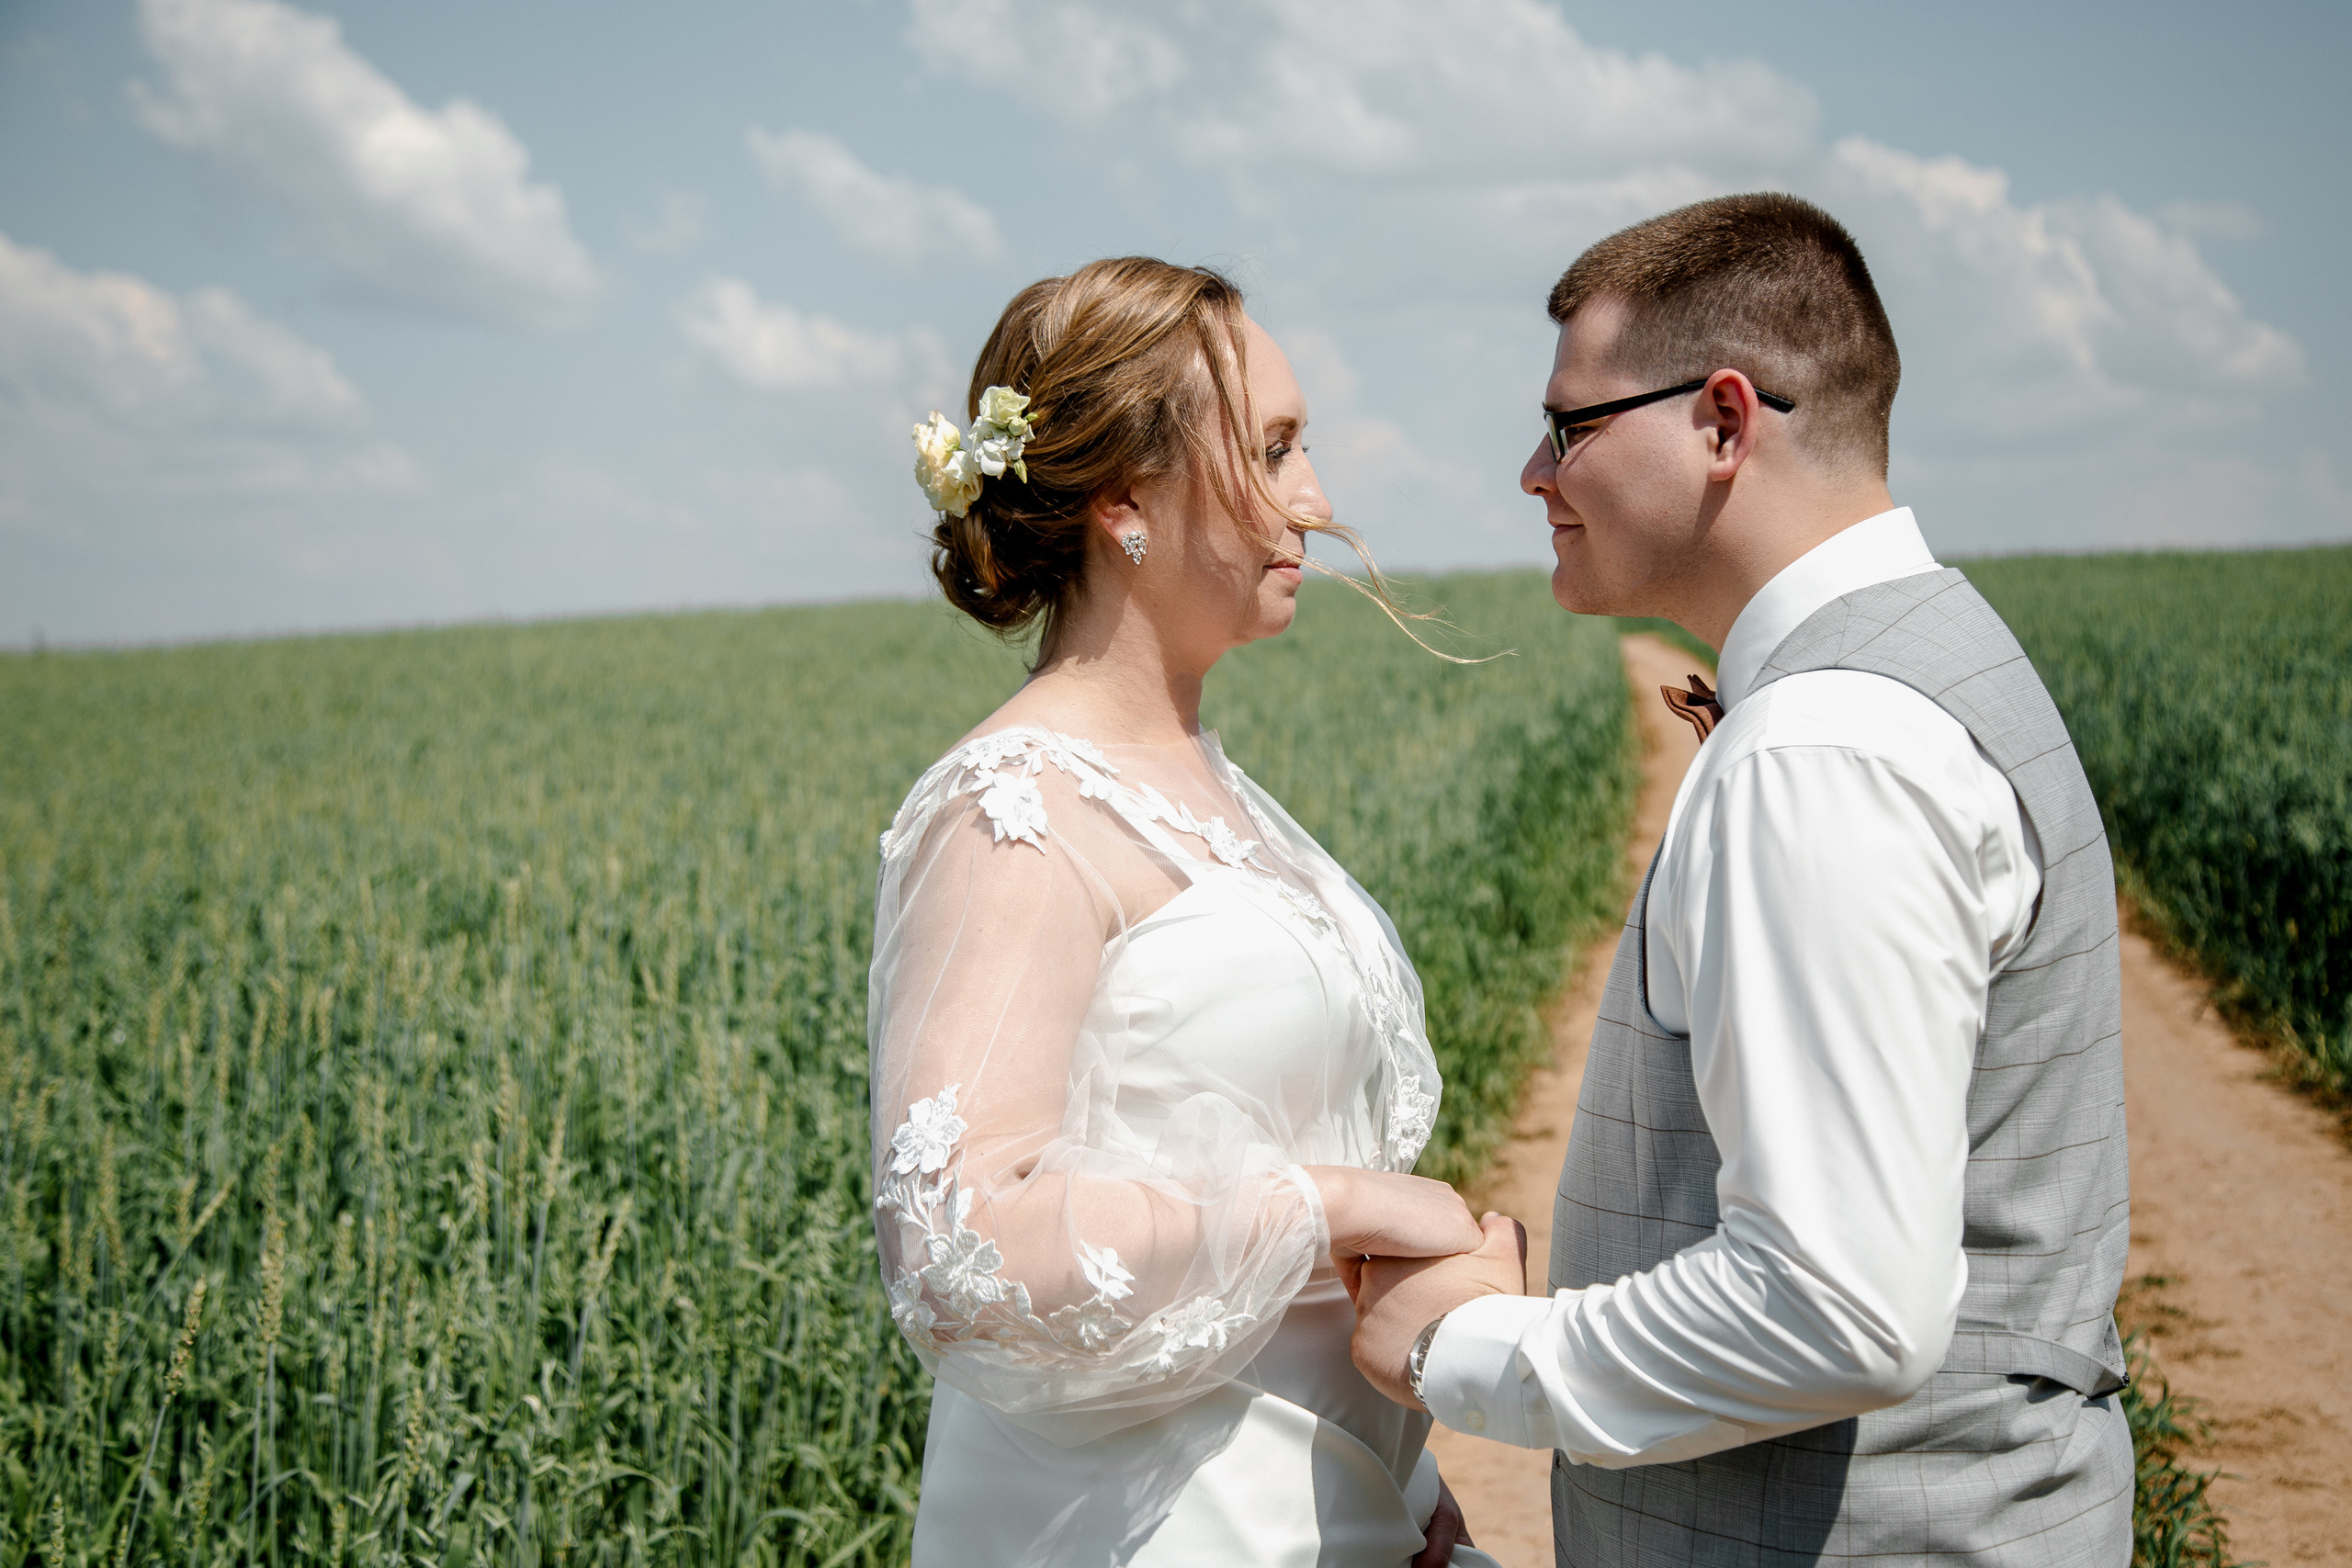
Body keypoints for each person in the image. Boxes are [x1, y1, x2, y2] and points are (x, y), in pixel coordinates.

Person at [1348, 194, 2133, 1564]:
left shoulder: (1822, 747)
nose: (1534, 473)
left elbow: (1838, 1306)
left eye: (1570, 426)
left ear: (1723, 422)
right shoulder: (1927, 660)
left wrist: (1462, 1346)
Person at [869, 255, 1501, 1567]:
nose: (1315, 500)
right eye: (1271, 450)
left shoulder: (1215, 786)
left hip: (1344, 1512)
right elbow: (959, 1246)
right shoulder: (1014, 812)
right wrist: (1339, 1206)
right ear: (1123, 499)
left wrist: (1407, 1474)